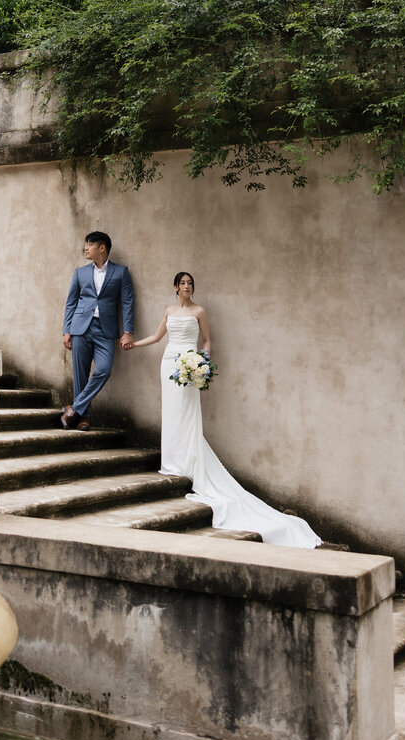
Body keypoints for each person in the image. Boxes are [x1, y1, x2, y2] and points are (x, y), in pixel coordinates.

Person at [127, 271, 320, 548]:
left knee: (186, 414)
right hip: (169, 364)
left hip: (187, 363)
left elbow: (206, 341)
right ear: (174, 287)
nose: (186, 287)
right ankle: (172, 463)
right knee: (170, 413)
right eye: (182, 283)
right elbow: (158, 338)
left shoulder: (200, 311)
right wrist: (134, 344)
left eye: (189, 283)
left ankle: (189, 463)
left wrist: (201, 363)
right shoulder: (169, 311)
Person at [61, 231, 134, 430]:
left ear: (102, 248)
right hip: (80, 328)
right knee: (80, 374)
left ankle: (74, 408)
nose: (86, 247)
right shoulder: (80, 273)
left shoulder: (121, 272)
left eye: (90, 244)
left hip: (105, 330)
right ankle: (83, 418)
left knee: (103, 370)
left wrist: (128, 331)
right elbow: (71, 303)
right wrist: (66, 330)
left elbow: (127, 303)